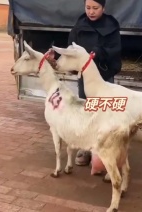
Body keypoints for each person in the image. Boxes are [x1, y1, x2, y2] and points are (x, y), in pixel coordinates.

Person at [49, 0, 122, 166]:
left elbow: (115, 49)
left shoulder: (111, 26)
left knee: (105, 111)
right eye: (88, 7)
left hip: (104, 76)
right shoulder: (80, 24)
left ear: (103, 7)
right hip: (85, 78)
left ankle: (105, 149)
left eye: (95, 8)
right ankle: (86, 149)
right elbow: (71, 48)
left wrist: (98, 52)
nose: (91, 12)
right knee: (87, 109)